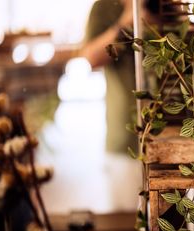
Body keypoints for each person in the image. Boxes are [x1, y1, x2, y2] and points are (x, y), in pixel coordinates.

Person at [79, 0, 159, 211]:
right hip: (124, 139)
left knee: (170, 226)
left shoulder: (165, 5)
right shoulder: (104, 7)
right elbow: (91, 57)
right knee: (126, 223)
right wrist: (125, 24)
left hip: (169, 137)